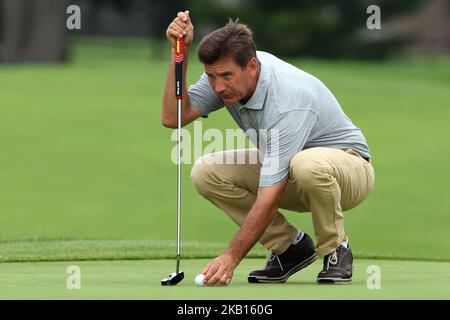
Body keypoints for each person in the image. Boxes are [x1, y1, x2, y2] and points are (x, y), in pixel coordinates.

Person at [162, 11, 375, 286]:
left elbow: (269, 197)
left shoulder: (287, 100)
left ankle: (337, 249)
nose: (218, 86)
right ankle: (290, 248)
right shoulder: (224, 76)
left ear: (252, 66)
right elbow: (173, 117)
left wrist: (231, 257)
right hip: (296, 173)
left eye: (226, 76)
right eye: (212, 76)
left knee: (306, 164)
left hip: (350, 170)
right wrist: (179, 52)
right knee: (206, 172)